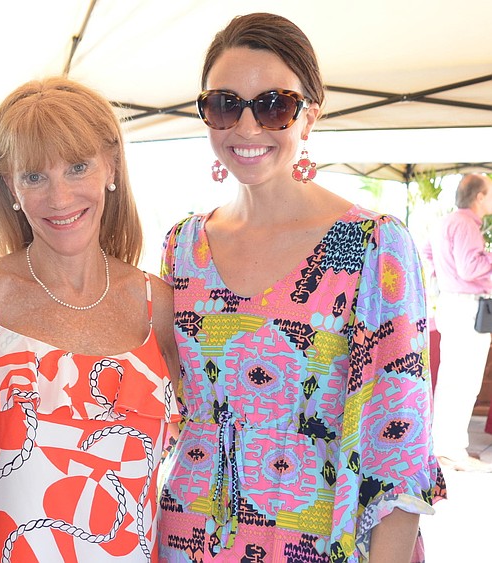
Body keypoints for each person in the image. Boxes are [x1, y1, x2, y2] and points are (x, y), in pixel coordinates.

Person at [157, 12, 445, 562]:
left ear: (308, 116)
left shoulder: (369, 246)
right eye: (224, 104)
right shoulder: (183, 247)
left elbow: (400, 449)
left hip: (320, 544)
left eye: (273, 105)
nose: (247, 127)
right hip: (190, 536)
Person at [0, 77, 180, 561]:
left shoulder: (160, 306)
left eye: (77, 166)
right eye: (34, 177)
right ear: (9, 187)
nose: (60, 197)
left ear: (111, 165)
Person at [423, 173, 492, 472]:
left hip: (452, 303)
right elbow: (469, 267)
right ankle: (452, 451)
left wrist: (444, 275)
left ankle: (443, 447)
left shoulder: (447, 221)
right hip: (466, 305)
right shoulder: (465, 223)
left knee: (453, 379)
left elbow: (427, 252)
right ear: (479, 196)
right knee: (464, 380)